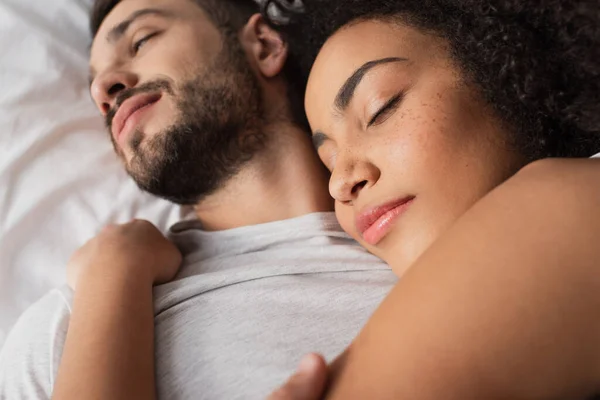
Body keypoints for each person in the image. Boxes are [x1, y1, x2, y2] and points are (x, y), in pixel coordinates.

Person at [50, 0, 600, 399]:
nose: (343, 182)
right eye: (329, 156)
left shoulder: (566, 198)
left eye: (380, 107)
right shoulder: (72, 326)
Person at [0, 0, 398, 399]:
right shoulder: (69, 334)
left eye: (141, 40)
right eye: (97, 89)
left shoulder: (418, 217)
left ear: (263, 44)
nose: (103, 90)